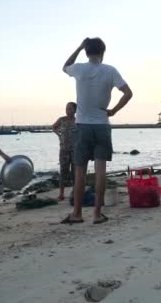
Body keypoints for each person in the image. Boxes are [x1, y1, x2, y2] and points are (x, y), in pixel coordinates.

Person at [60, 37, 133, 224]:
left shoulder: (79, 69)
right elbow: (128, 93)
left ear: (86, 52)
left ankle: (77, 214)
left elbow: (65, 66)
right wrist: (114, 110)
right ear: (103, 52)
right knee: (101, 170)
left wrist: (78, 46)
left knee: (79, 172)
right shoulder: (110, 70)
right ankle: (96, 214)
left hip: (83, 125)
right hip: (102, 124)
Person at [52, 102, 77, 200]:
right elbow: (54, 127)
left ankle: (75, 191)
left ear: (75, 110)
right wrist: (59, 135)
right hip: (64, 150)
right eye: (66, 108)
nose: (67, 111)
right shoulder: (61, 119)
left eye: (70, 109)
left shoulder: (78, 120)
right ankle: (61, 193)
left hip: (75, 150)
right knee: (63, 171)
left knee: (75, 172)